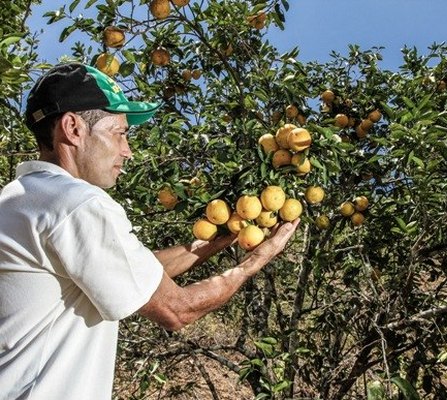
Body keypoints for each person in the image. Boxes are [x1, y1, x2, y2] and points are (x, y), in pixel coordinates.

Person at [0, 62, 299, 400]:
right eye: (120, 133)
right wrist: (257, 259)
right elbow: (177, 309)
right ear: (73, 128)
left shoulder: (20, 200)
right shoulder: (77, 205)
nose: (127, 151)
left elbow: (130, 271)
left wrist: (213, 242)